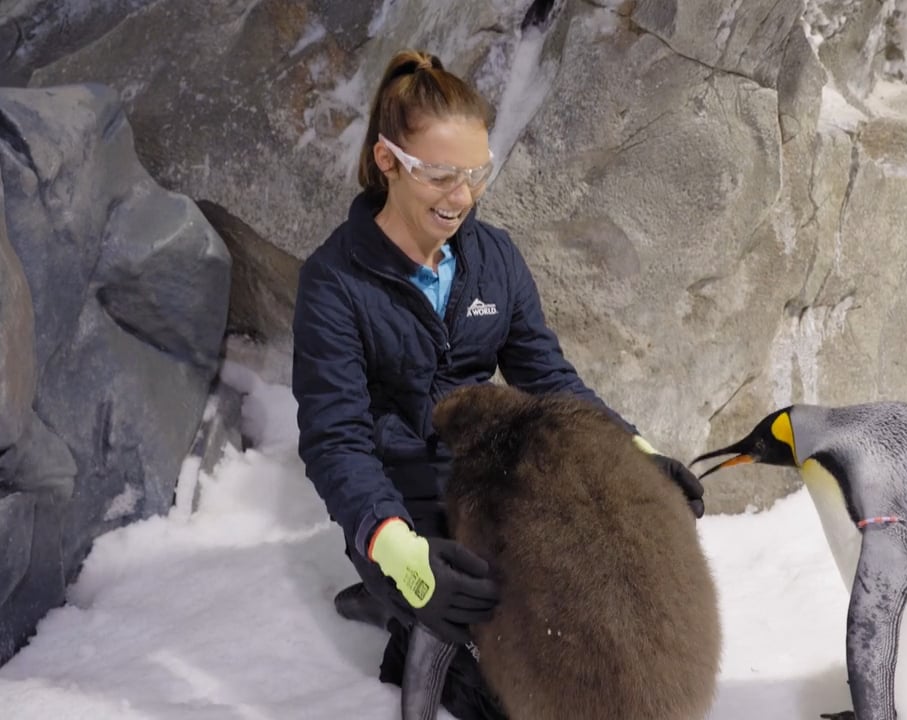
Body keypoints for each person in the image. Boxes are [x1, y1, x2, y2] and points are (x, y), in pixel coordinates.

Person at [290, 50, 705, 720]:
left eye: (476, 174)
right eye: (442, 176)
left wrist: (637, 450)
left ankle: (405, 605)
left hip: (491, 478)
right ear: (388, 160)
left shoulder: (494, 259)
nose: (463, 197)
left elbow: (548, 378)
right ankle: (399, 618)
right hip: (396, 499)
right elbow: (334, 442)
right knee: (492, 678)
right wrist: (397, 550)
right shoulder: (334, 282)